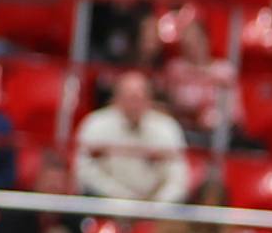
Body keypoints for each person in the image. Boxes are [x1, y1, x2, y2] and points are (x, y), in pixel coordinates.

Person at [72, 72, 191, 204]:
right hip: (106, 205)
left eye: (139, 98)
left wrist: (158, 205)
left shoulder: (167, 128)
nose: (134, 105)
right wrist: (122, 200)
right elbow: (85, 172)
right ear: (116, 98)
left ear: (149, 99)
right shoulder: (95, 124)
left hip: (156, 209)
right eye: (129, 98)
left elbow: (178, 179)